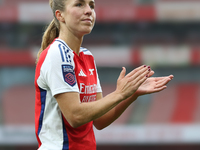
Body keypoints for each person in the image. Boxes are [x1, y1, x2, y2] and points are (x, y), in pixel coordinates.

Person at [34, 0, 174, 149]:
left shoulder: (87, 56)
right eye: (79, 4)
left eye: (91, 5)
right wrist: (120, 93)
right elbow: (75, 116)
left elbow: (100, 120)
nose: (88, 10)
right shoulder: (57, 54)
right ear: (60, 15)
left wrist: (131, 94)